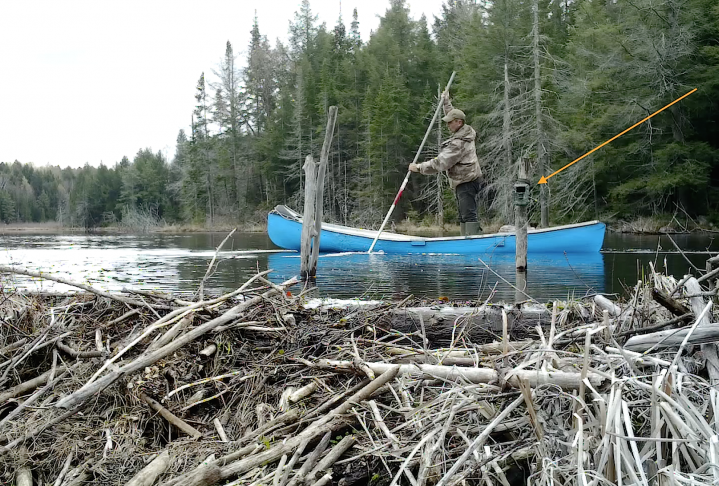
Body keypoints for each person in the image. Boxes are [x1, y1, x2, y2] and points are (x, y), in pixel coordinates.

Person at [409, 92, 483, 236]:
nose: (448, 125)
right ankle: (466, 240)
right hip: (465, 180)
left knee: (468, 215)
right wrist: (446, 102)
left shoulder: (458, 143)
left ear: (459, 123)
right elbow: (453, 114)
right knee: (463, 215)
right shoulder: (464, 130)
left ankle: (473, 243)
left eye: (450, 122)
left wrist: (418, 167)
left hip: (467, 181)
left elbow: (441, 162)